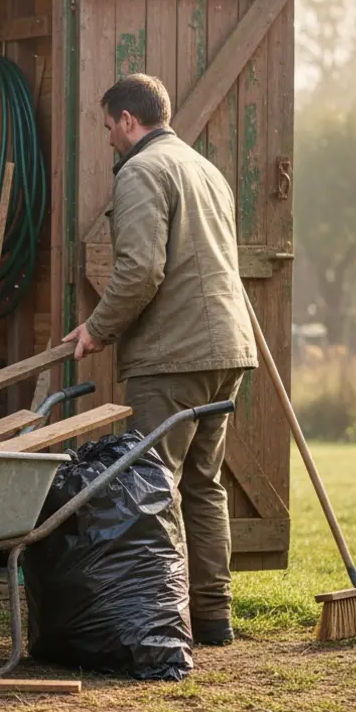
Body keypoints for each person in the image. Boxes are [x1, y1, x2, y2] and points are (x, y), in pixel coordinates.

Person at [63, 73, 258, 646]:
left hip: (174, 354)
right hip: (225, 348)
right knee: (203, 485)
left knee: (153, 486)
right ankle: (213, 619)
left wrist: (97, 329)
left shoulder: (143, 171)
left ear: (128, 120)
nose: (109, 142)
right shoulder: (205, 169)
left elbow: (141, 271)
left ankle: (156, 622)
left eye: (109, 129)